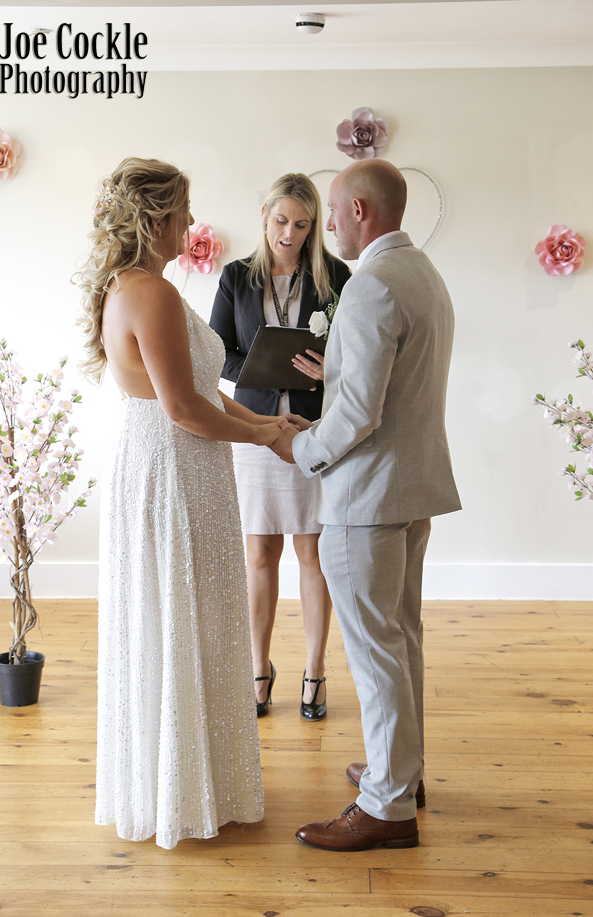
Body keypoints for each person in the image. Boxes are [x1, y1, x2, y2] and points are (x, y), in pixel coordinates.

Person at [76, 157, 286, 849]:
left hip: (171, 461)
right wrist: (265, 437)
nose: (192, 222)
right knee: (185, 611)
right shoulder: (152, 293)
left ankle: (184, 782)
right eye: (183, 211)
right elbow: (185, 409)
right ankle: (186, 789)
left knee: (182, 612)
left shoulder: (134, 286)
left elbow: (201, 392)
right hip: (173, 466)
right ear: (155, 218)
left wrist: (266, 425)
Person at [271, 159, 461, 851]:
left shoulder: (370, 284)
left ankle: (385, 807)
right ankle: (400, 775)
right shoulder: (422, 274)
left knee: (377, 650)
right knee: (400, 637)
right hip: (411, 489)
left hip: (367, 499)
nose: (326, 226)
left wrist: (299, 447)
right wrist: (340, 368)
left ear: (358, 210)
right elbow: (394, 381)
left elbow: (356, 416)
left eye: (332, 211)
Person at [210, 173, 350, 721]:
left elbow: (355, 352)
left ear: (314, 227)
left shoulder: (336, 277)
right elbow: (218, 353)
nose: (289, 234)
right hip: (256, 428)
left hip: (315, 429)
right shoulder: (235, 278)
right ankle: (258, 670)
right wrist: (263, 367)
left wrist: (328, 367)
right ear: (265, 216)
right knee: (260, 553)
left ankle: (315, 670)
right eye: (281, 221)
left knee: (313, 554)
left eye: (302, 224)